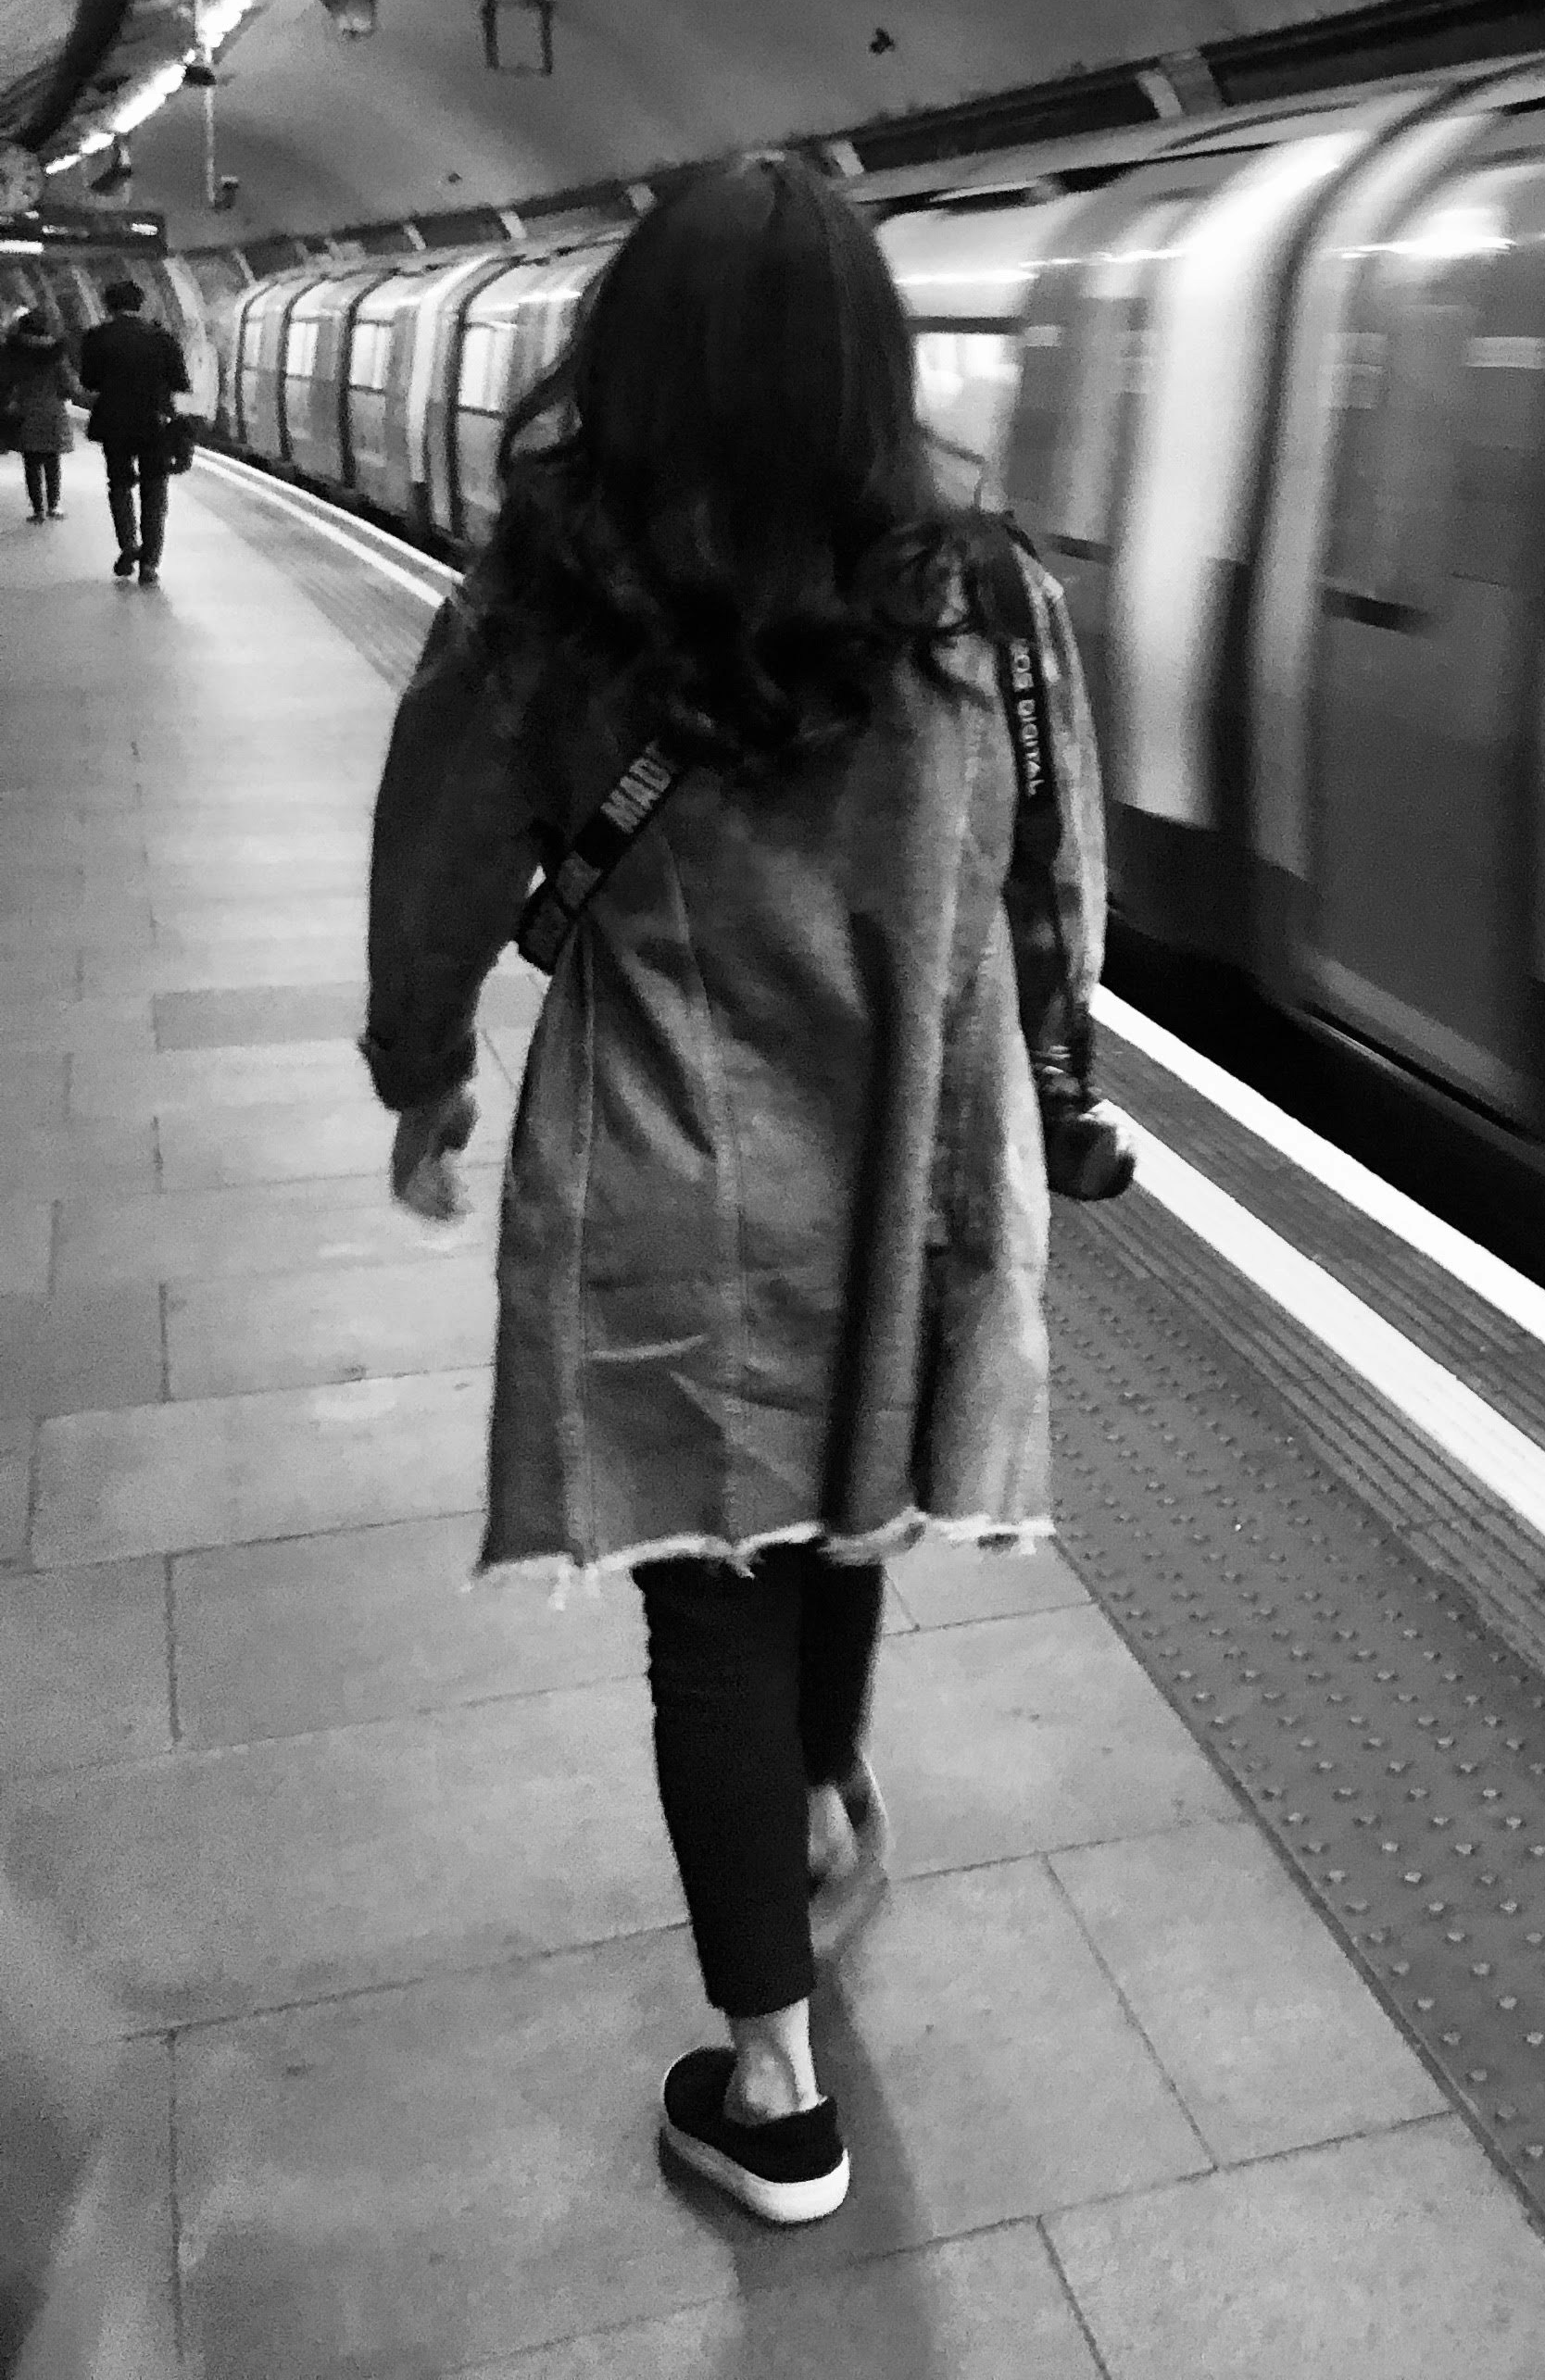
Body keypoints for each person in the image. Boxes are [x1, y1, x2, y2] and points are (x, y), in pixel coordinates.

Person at [359, 156, 1104, 2230]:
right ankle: (828, 1806)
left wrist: (420, 1073)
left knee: (718, 1584)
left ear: (633, 350)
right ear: (875, 358)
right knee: (847, 1487)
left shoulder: (548, 589)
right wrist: (1057, 1083)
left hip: (673, 1161)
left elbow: (435, 869)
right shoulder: (986, 596)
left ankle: (772, 2091)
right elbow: (1059, 884)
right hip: (908, 1162)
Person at [74, 280, 189, 584]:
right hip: (153, 422)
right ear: (141, 304)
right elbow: (180, 381)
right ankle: (150, 563)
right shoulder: (160, 337)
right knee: (155, 490)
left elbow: (89, 382)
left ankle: (129, 545)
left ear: (108, 305)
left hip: (113, 423)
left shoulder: (96, 338)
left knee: (120, 484)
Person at [0, 311, 74, 524]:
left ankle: (38, 510)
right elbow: (68, 385)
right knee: (53, 461)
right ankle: (54, 505)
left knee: (31, 463)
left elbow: (4, 382)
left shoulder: (13, 353)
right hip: (52, 412)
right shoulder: (56, 353)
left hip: (25, 412)